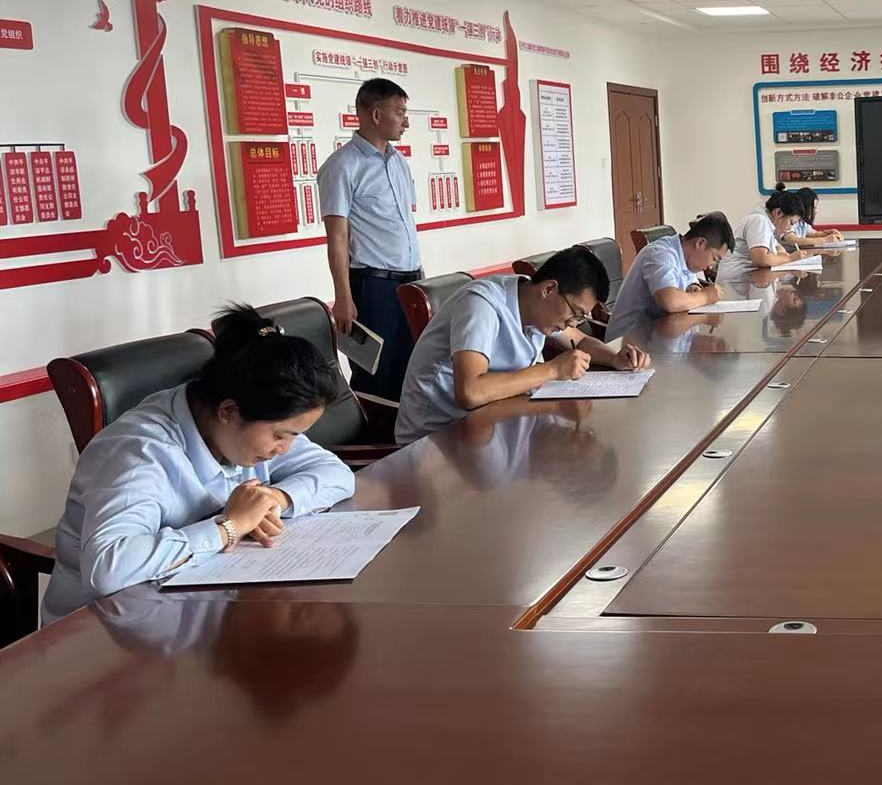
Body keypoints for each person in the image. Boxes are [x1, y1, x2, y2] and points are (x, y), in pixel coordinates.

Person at [41, 305, 355, 622]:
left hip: (195, 605)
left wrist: (273, 499)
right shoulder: (139, 453)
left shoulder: (242, 418)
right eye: (279, 436)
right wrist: (230, 526)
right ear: (228, 411)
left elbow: (337, 474)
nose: (285, 449)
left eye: (293, 436)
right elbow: (109, 569)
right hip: (101, 630)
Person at [395, 246, 649, 443]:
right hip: (438, 439)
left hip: (493, 423)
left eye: (580, 318)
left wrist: (614, 357)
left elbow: (580, 340)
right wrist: (553, 369)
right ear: (549, 289)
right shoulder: (481, 305)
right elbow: (470, 393)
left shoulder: (531, 299)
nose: (572, 323)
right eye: (575, 313)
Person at [316, 77, 420, 401]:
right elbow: (337, 237)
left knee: (411, 372)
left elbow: (404, 225)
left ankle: (405, 433)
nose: (406, 121)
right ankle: (374, 435)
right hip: (373, 287)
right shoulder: (342, 166)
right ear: (376, 114)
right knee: (376, 377)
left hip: (411, 282)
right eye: (399, 112)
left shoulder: (398, 162)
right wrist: (342, 297)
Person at [604, 212, 733, 341]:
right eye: (714, 259)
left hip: (656, 338)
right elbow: (669, 301)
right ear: (700, 243)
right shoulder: (661, 253)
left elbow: (690, 291)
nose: (711, 266)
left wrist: (695, 291)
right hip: (625, 343)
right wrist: (705, 296)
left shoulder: (688, 260)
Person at [720, 190, 809, 281]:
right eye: (791, 222)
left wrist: (781, 254)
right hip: (734, 281)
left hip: (744, 279)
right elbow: (761, 259)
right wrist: (790, 258)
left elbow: (778, 247)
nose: (790, 228)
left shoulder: (768, 224)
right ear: (778, 212)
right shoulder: (759, 221)